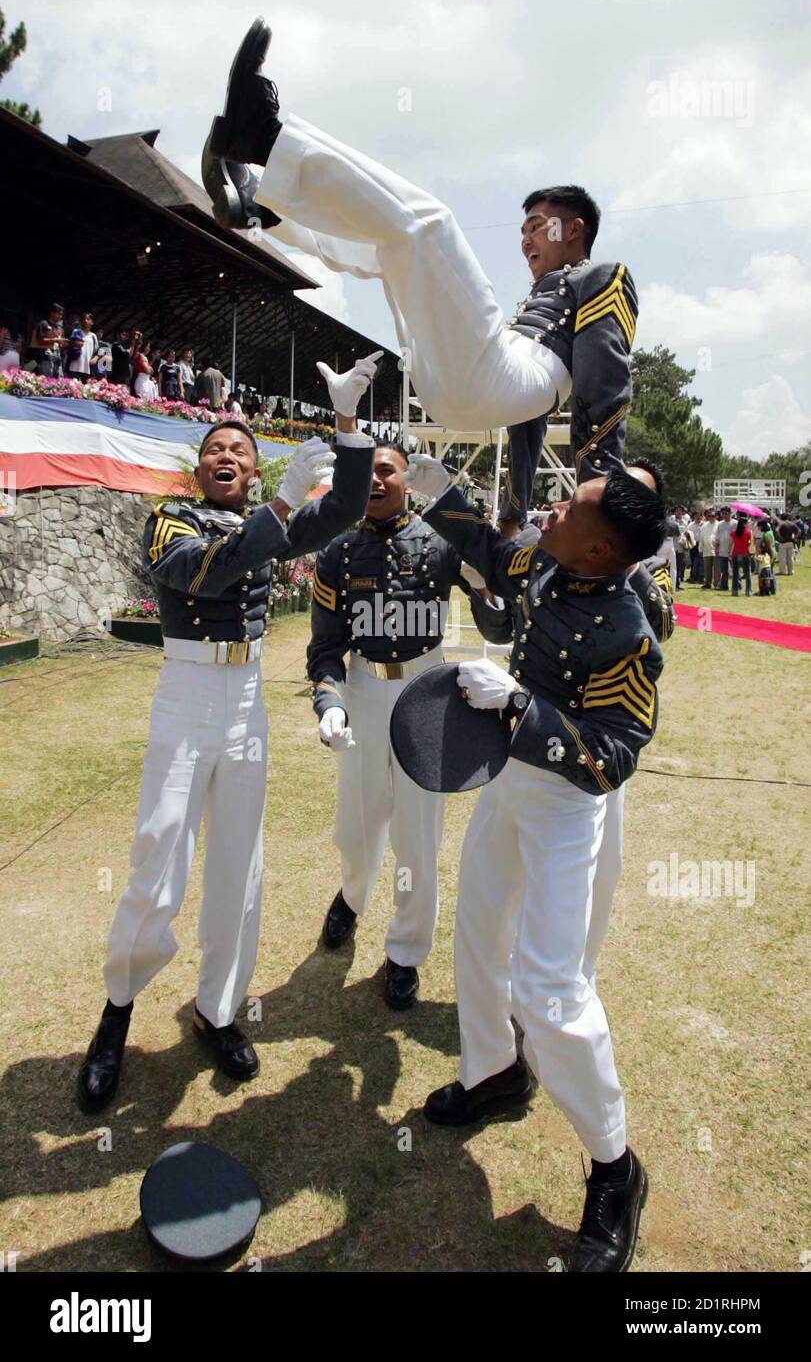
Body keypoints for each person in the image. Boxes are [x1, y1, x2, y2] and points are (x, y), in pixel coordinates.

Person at [76, 356, 380, 1115]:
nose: (226, 455)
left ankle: (218, 1010)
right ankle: (118, 1011)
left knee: (240, 868)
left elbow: (342, 508)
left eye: (241, 450)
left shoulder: (266, 524)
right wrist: (276, 505)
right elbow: (202, 573)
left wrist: (347, 428)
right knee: (158, 853)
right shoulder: (170, 520)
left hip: (245, 697)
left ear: (252, 471)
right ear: (199, 466)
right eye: (216, 446)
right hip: (185, 691)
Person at [201, 18, 638, 535]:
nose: (525, 241)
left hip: (496, 380)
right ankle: (263, 212)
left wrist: (599, 495)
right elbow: (528, 418)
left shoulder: (605, 276)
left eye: (538, 227)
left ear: (576, 229)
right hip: (472, 387)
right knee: (395, 248)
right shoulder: (537, 304)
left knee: (431, 225)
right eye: (522, 230)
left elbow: (604, 391)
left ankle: (264, 140)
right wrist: (515, 509)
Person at [401, 451, 666, 1272]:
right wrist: (431, 487)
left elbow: (612, 756)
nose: (548, 512)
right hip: (506, 780)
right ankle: (493, 1074)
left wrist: (523, 708)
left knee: (549, 987)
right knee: (477, 937)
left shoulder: (628, 632)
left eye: (569, 509)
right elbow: (489, 549)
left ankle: (615, 1167)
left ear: (600, 551)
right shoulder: (551, 568)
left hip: (562, 805)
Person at [307, 355, 474, 1011]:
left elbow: (496, 602)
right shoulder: (337, 552)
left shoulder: (439, 545)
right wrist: (329, 700)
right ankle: (351, 895)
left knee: (418, 832)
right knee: (356, 826)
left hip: (425, 693)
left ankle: (405, 951)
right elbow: (324, 647)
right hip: (364, 690)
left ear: (408, 478)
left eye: (387, 469)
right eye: (367, 468)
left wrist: (472, 536)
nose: (376, 477)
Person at [30, 302, 67, 376]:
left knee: (58, 382)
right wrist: (55, 340)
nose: (60, 316)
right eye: (58, 314)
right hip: (45, 358)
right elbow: (39, 340)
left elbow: (61, 344)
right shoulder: (44, 324)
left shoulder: (59, 328)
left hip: (57, 358)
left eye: (61, 314)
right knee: (46, 381)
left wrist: (64, 343)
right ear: (52, 313)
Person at [65, 312, 99, 383]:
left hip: (87, 369)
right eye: (84, 319)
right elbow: (67, 344)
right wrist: (75, 343)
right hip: (74, 367)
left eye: (88, 319)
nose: (85, 321)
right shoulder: (76, 331)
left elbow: (96, 351)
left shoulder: (93, 336)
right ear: (81, 321)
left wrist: (95, 358)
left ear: (92, 322)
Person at [729, 516, 754, 596]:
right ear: (744, 524)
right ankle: (748, 591)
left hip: (735, 553)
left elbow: (732, 543)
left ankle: (735, 591)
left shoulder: (734, 533)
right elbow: (750, 544)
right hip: (745, 553)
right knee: (747, 573)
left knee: (735, 573)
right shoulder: (749, 532)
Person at [712, 507, 732, 591]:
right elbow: (717, 537)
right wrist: (716, 549)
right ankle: (724, 586)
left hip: (732, 550)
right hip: (722, 550)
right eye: (723, 514)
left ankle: (737, 585)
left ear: (730, 514)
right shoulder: (720, 524)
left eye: (726, 513)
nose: (724, 515)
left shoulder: (735, 523)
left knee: (734, 569)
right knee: (724, 570)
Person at [699, 510, 718, 588]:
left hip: (716, 549)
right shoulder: (704, 525)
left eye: (712, 516)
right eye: (709, 516)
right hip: (706, 549)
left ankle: (716, 583)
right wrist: (700, 549)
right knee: (707, 568)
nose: (711, 517)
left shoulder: (719, 525)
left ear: (716, 516)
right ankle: (707, 583)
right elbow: (701, 538)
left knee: (717, 568)